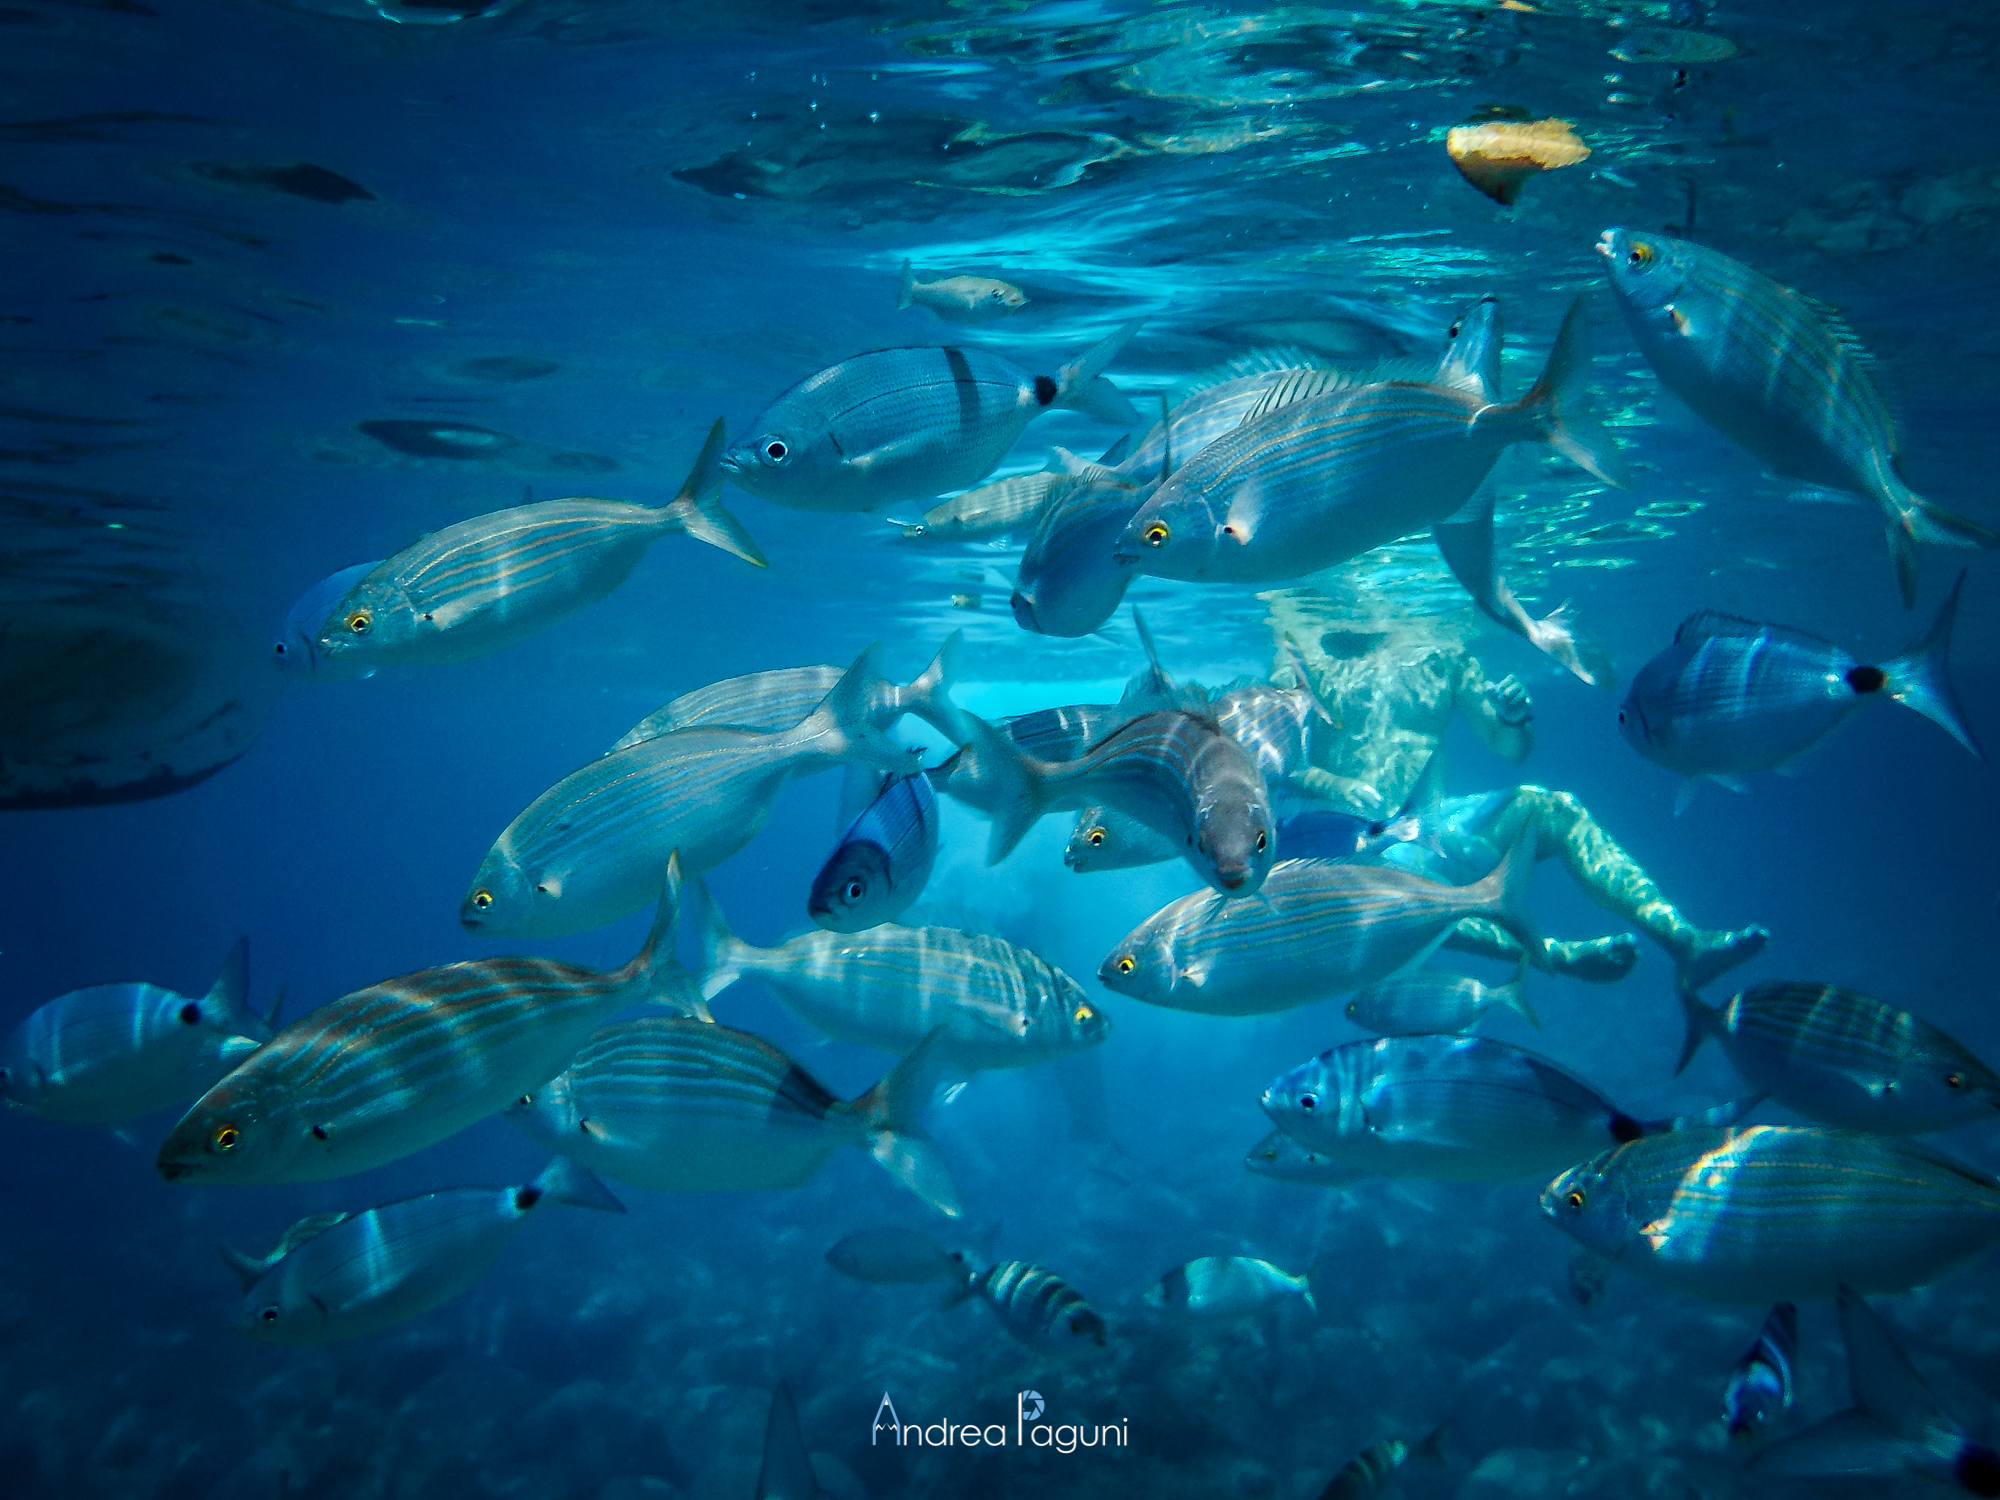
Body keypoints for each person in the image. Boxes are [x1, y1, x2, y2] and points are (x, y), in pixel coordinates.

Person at [1264, 587, 1768, 991]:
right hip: (1344, 844)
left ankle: (1685, 941)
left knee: (1553, 808)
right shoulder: (1301, 652)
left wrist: (1512, 719)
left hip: (1433, 825)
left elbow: (1510, 749)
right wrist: (1331, 785)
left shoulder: (1443, 650)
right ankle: (1552, 954)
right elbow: (1278, 757)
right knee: (1398, 887)